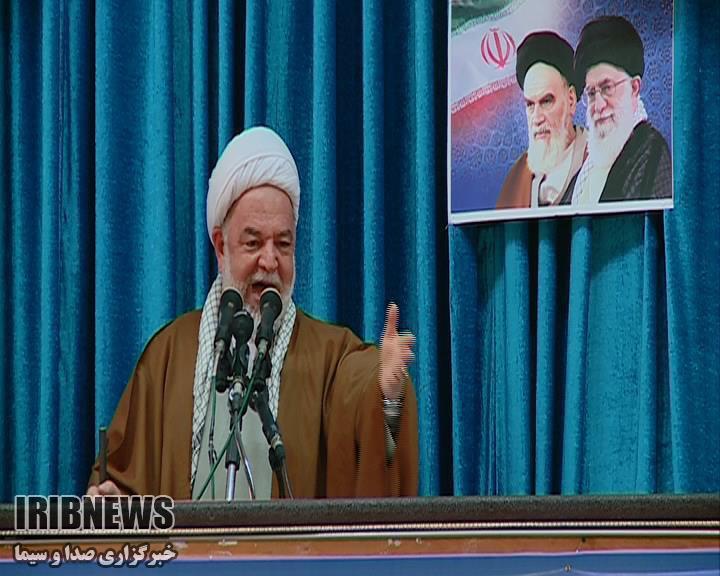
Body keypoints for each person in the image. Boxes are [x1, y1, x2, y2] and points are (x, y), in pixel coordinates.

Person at [87, 126, 419, 499]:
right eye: (253, 243)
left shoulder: (332, 358)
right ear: (221, 246)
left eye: (283, 244)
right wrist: (114, 503)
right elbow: (122, 482)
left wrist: (387, 396)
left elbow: (366, 396)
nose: (270, 261)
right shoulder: (169, 355)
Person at [571, 16, 671, 205]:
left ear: (634, 88)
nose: (598, 105)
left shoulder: (652, 154)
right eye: (591, 93)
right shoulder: (588, 165)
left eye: (607, 88)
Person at [496, 31, 587, 209]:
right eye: (530, 105)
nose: (537, 118)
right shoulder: (518, 177)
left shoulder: (598, 162)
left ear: (570, 100)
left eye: (546, 101)